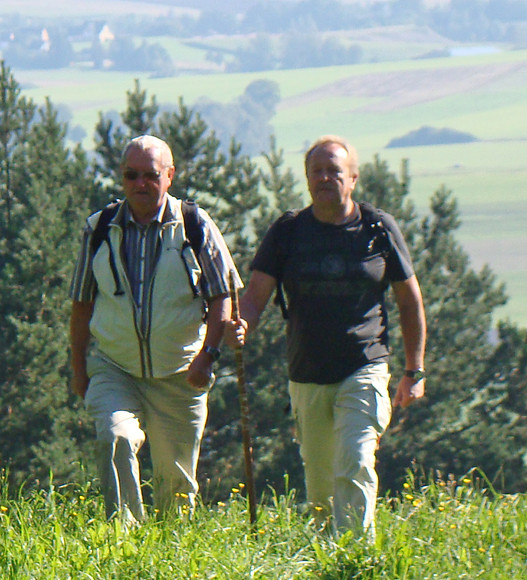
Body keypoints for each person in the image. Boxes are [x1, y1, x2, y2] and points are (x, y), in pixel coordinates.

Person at [232, 135, 426, 543]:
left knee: (354, 462)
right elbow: (255, 297)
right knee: (320, 485)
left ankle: (355, 560)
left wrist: (415, 370)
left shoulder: (376, 228)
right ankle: (326, 558)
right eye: (316, 171)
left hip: (365, 364)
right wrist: (241, 324)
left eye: (334, 171)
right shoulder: (288, 232)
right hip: (306, 374)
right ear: (306, 180)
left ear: (352, 178)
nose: (324, 178)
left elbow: (409, 302)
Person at [69, 135, 241, 523]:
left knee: (176, 485)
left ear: (170, 176)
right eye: (131, 175)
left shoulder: (195, 225)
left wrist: (208, 356)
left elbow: (222, 297)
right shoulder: (99, 229)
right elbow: (81, 305)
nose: (140, 184)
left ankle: (169, 559)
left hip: (181, 372)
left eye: (150, 175)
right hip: (115, 367)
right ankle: (124, 542)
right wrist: (79, 369)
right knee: (115, 438)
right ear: (122, 177)